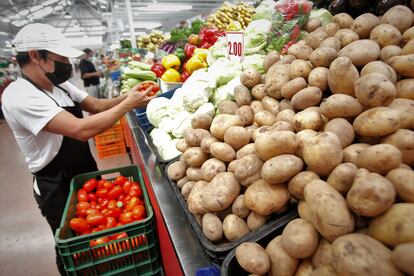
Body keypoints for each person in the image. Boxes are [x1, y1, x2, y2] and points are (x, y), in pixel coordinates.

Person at [1, 23, 154, 275]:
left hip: (85, 174)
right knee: (73, 250)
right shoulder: (19, 94)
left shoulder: (60, 85)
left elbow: (96, 105)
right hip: (57, 184)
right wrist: (128, 105)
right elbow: (80, 129)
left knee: (100, 241)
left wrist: (129, 96)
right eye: (60, 58)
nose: (66, 64)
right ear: (35, 56)